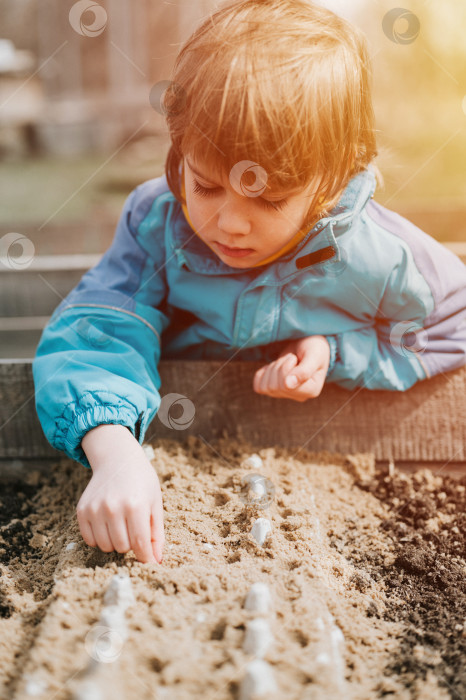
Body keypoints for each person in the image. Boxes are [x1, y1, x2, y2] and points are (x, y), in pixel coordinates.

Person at [32, 0, 466, 565]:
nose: (228, 223)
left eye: (270, 199)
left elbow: (451, 325)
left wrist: (336, 351)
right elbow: (97, 330)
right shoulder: (155, 225)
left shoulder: (380, 255)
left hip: (315, 457)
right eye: (206, 185)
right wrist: (115, 452)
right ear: (178, 148)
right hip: (179, 439)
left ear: (332, 181)